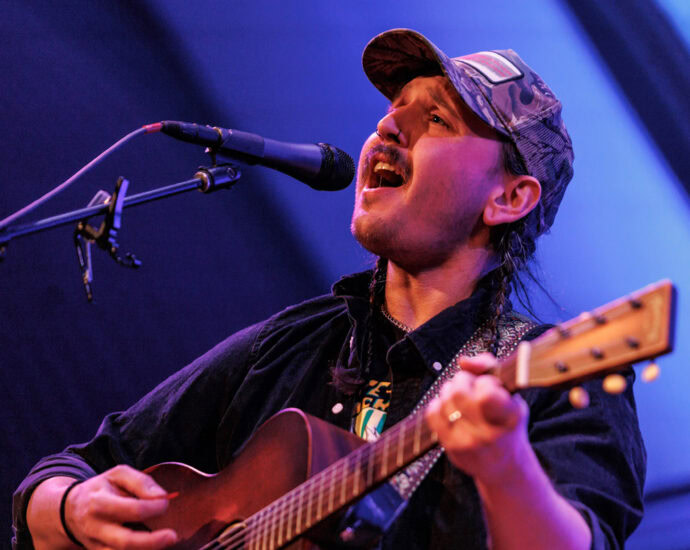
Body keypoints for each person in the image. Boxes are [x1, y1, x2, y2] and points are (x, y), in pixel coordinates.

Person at [13, 28, 645, 550]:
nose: (388, 127)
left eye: (436, 119)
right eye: (393, 110)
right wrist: (69, 508)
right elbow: (71, 471)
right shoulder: (289, 346)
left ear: (509, 198)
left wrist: (506, 466)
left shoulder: (553, 379)